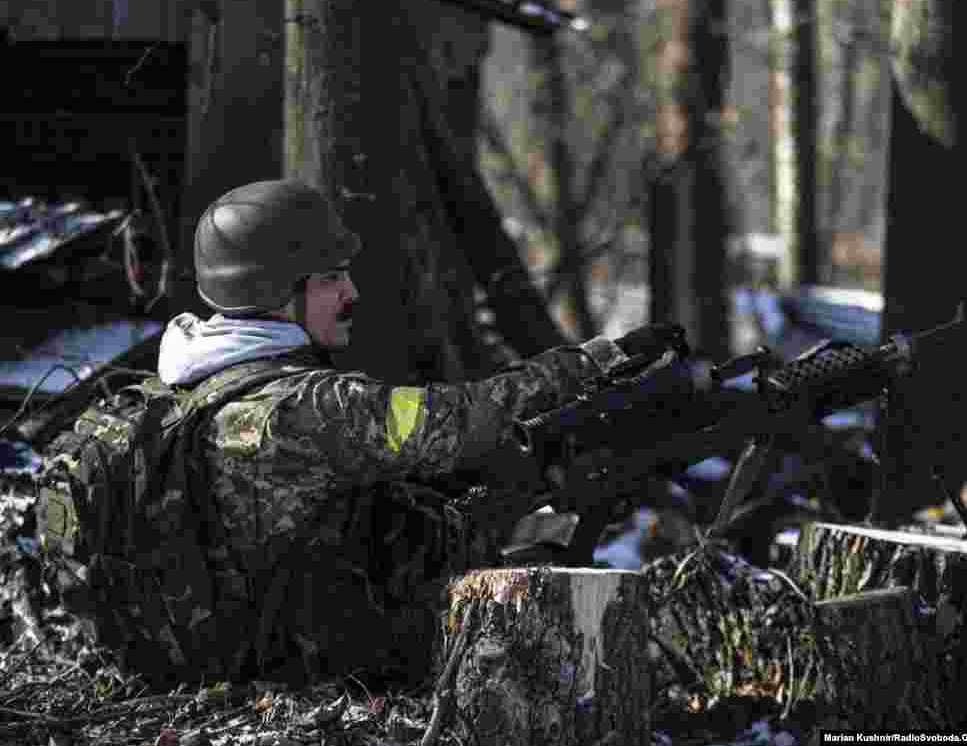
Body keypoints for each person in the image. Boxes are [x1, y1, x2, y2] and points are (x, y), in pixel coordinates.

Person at [148, 178, 680, 684]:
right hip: (309, 662)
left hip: (214, 648)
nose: (352, 292)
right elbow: (463, 420)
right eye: (332, 277)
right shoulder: (311, 408)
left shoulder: (183, 385)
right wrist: (592, 362)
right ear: (277, 292)